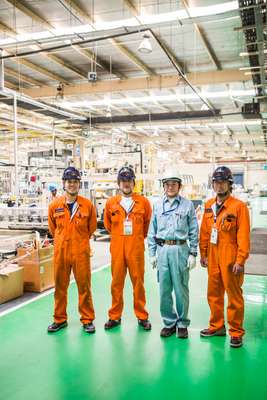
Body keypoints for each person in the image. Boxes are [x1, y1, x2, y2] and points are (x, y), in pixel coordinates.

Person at [199, 166, 250, 348]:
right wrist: (203, 253)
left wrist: (240, 260)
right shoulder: (208, 206)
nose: (219, 186)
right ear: (213, 184)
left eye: (223, 182)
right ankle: (217, 326)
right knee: (214, 294)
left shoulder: (239, 207)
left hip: (230, 258)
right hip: (212, 256)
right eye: (216, 182)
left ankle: (236, 332)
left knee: (234, 296)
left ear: (230, 184)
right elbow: (204, 232)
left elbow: (243, 236)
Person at [148, 169, 198, 339]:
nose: (170, 187)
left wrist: (193, 253)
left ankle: (182, 323)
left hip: (180, 250)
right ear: (164, 186)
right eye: (167, 184)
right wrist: (152, 253)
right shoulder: (157, 205)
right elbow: (151, 231)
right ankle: (169, 322)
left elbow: (193, 230)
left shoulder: (187, 205)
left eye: (174, 184)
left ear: (179, 186)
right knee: (164, 289)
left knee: (181, 288)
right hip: (162, 250)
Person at [47, 166, 97, 334]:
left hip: (81, 251)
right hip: (61, 251)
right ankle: (59, 319)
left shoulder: (87, 205)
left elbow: (91, 228)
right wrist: (63, 240)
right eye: (69, 182)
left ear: (79, 184)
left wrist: (79, 240)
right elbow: (53, 228)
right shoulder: (54, 205)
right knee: (60, 286)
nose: (72, 185)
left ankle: (87, 319)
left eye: (75, 182)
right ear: (64, 183)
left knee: (84, 286)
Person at [104, 166, 152, 331]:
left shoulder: (143, 202)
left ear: (134, 183)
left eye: (129, 181)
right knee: (116, 283)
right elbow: (108, 225)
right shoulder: (111, 203)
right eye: (123, 181)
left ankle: (142, 316)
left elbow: (147, 225)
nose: (126, 184)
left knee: (138, 283)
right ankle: (115, 316)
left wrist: (137, 238)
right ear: (119, 183)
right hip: (117, 248)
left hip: (136, 248)